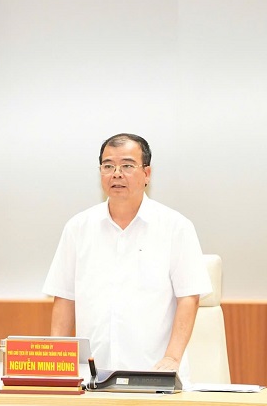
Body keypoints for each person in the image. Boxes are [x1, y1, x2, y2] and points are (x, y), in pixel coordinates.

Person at [42, 133, 211, 381]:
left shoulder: (176, 227)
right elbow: (65, 298)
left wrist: (172, 359)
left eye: (128, 166)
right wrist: (56, 363)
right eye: (108, 166)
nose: (117, 174)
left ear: (147, 174)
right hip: (92, 377)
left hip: (155, 375)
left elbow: (189, 298)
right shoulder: (78, 228)